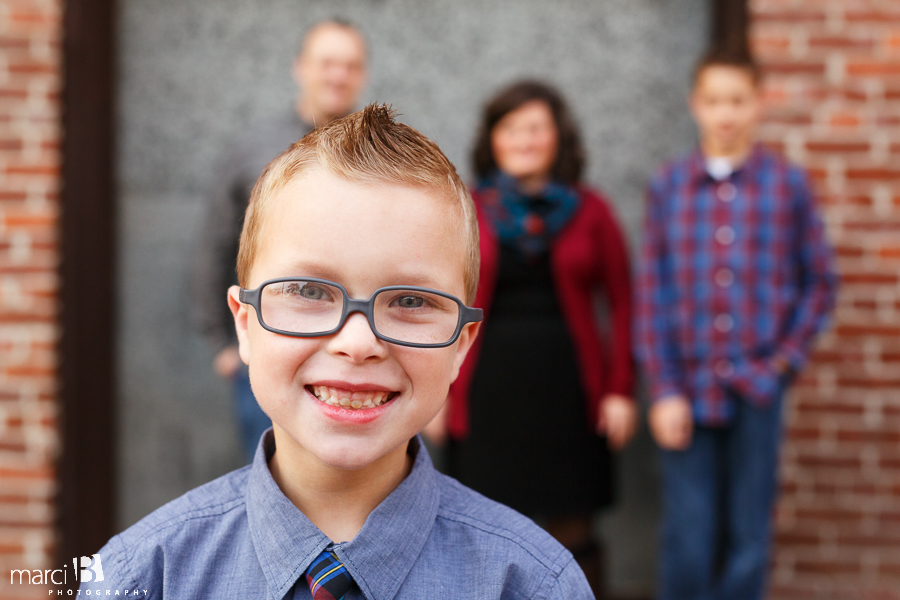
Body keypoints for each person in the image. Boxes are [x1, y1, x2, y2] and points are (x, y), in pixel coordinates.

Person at [84, 105, 594, 598]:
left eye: (412, 300)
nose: (357, 344)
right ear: (244, 324)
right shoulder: (142, 577)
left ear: (460, 346)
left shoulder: (533, 584)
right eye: (308, 292)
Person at [634, 50, 837, 600]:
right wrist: (664, 389)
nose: (726, 113)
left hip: (758, 390)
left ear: (759, 104)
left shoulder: (787, 186)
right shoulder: (670, 186)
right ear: (695, 105)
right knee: (689, 535)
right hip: (688, 391)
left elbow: (819, 283)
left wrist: (782, 363)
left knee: (750, 535)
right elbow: (652, 294)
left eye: (738, 100)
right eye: (715, 101)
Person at [426, 81, 637, 595]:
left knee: (573, 531)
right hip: (487, 398)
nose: (524, 139)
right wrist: (434, 394)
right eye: (511, 128)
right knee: (477, 530)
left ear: (557, 138)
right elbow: (434, 302)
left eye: (536, 128)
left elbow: (626, 303)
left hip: (571, 397)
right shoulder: (465, 210)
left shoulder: (592, 211)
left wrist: (621, 390)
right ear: (493, 139)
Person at [191, 19, 368, 459]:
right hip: (271, 349)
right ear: (300, 68)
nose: (338, 75)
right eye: (327, 63)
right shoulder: (253, 149)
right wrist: (224, 346)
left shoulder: (383, 154)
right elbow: (215, 245)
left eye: (350, 65)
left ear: (362, 75)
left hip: (361, 346)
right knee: (272, 476)